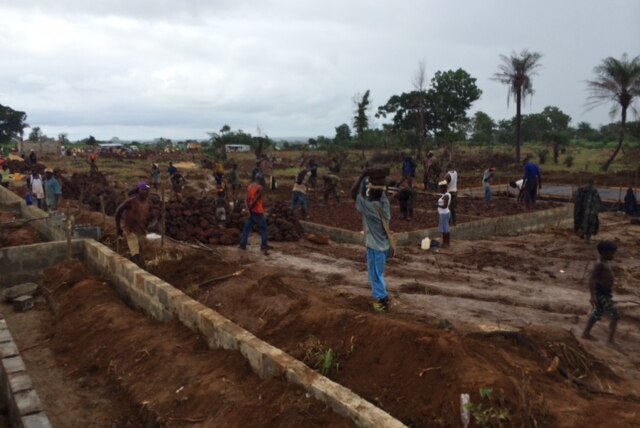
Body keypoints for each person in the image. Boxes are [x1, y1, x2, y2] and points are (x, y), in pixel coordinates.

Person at [351, 169, 391, 312]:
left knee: (375, 275)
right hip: (383, 247)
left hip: (375, 248)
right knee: (378, 273)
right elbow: (376, 192)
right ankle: (382, 297)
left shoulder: (370, 208)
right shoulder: (384, 204)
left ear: (372, 191)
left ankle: (382, 300)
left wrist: (363, 175)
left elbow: (353, 193)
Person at [581, 240, 620, 344]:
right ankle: (610, 340)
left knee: (597, 312)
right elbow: (591, 279)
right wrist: (593, 295)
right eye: (612, 253)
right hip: (601, 293)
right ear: (604, 252)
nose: (613, 255)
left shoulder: (604, 263)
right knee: (615, 314)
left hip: (605, 292)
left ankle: (586, 333)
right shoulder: (599, 264)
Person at [115, 181, 157, 266]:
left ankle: (135, 263)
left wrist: (152, 224)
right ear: (138, 190)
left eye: (147, 190)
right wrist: (118, 227)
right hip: (130, 229)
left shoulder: (149, 203)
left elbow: (154, 217)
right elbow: (118, 212)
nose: (145, 192)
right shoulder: (131, 201)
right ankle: (137, 266)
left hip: (141, 230)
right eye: (143, 190)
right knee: (135, 252)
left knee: (141, 251)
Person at [239, 173, 270, 254]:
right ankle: (264, 246)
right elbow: (255, 200)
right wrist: (249, 208)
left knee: (247, 228)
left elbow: (245, 199)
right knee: (264, 229)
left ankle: (242, 244)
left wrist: (247, 209)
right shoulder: (260, 188)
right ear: (260, 180)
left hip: (251, 212)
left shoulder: (250, 186)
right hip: (258, 211)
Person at [437, 180, 451, 247]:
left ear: (443, 188)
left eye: (440, 188)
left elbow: (445, 206)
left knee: (445, 229)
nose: (439, 189)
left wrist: (437, 205)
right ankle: (446, 243)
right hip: (443, 213)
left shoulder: (446, 196)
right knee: (446, 228)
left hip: (444, 214)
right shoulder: (445, 195)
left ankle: (445, 243)